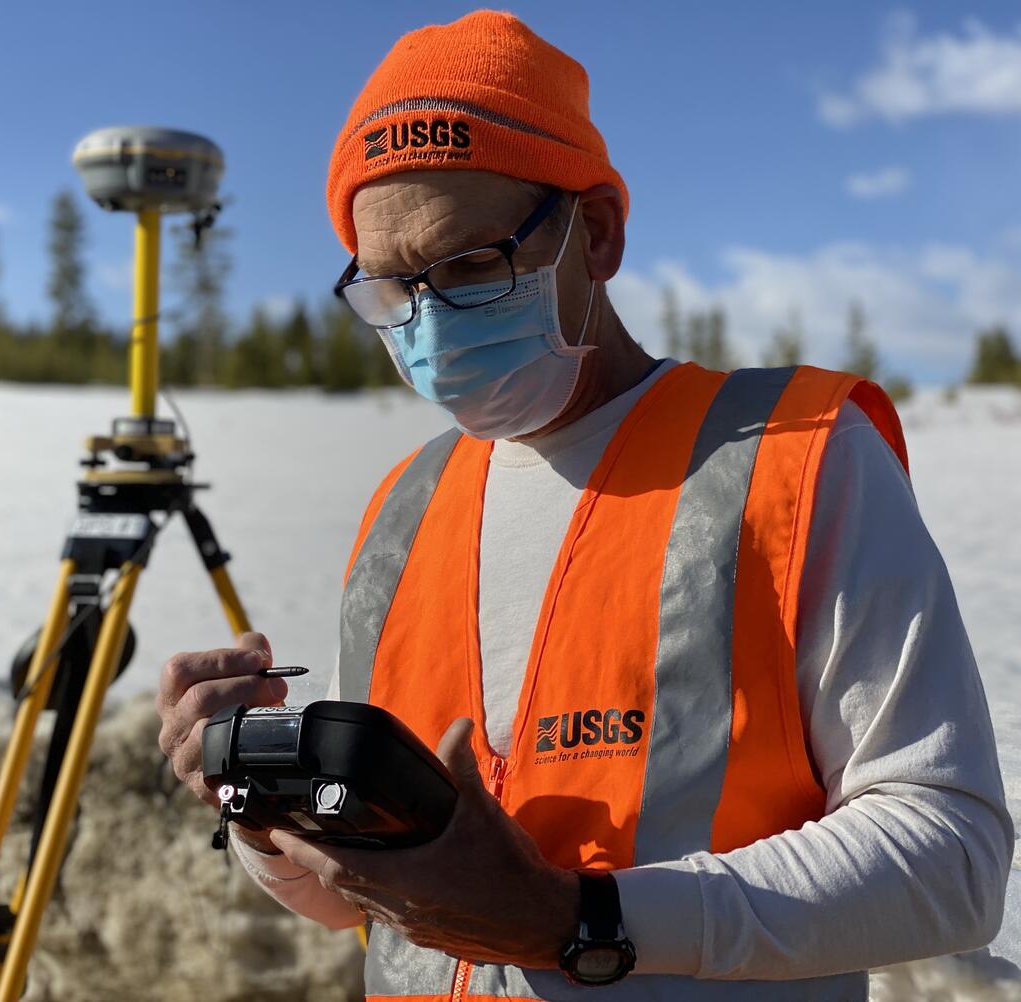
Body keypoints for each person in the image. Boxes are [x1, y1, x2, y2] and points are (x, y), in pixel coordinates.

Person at [155, 10, 1013, 999]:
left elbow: (949, 856)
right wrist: (269, 820)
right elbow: (369, 899)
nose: (429, 323)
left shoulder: (795, 458)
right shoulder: (404, 510)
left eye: (469, 267)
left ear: (594, 233)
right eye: (392, 288)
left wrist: (583, 921)